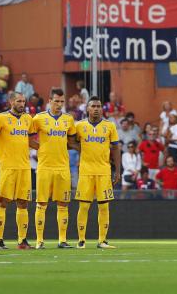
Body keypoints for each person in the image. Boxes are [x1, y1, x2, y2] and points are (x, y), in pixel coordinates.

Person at [29, 87, 76, 248]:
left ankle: (62, 240)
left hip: (63, 167)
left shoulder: (68, 120)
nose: (59, 104)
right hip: (45, 167)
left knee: (63, 204)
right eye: (56, 101)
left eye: (62, 101)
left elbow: (70, 142)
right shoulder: (39, 118)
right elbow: (28, 138)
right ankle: (39, 240)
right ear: (49, 101)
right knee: (41, 203)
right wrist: (40, 148)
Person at [0, 90, 35, 249]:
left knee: (23, 203)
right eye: (19, 101)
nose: (22, 104)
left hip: (24, 167)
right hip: (7, 167)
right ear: (11, 102)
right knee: (2, 202)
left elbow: (30, 141)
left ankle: (22, 240)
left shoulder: (28, 119)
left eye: (24, 101)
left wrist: (46, 149)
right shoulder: (0, 118)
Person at [72, 96, 120, 249]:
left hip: (104, 171)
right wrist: (81, 149)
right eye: (93, 106)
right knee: (84, 206)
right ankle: (81, 240)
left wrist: (117, 170)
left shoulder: (109, 126)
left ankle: (102, 240)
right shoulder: (79, 126)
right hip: (86, 172)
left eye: (99, 106)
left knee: (104, 207)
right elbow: (69, 141)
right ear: (87, 108)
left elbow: (116, 148)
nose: (96, 109)